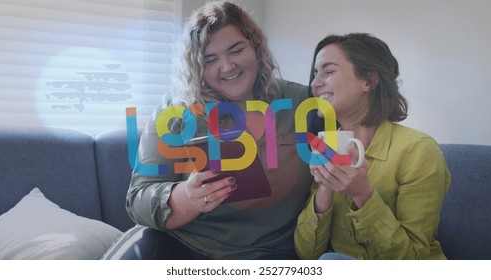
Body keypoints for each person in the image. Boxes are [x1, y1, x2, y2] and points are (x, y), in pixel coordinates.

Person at [117, 1, 312, 260]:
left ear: (256, 47)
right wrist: (186, 197)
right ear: (196, 67)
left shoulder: (300, 103)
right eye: (210, 60)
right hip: (182, 247)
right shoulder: (176, 109)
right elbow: (138, 199)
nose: (227, 66)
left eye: (236, 50)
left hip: (269, 256)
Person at [294, 33, 451, 260]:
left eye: (328, 72)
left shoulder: (419, 151)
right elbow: (307, 255)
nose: (315, 84)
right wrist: (325, 188)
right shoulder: (325, 146)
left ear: (369, 81)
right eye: (315, 73)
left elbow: (413, 259)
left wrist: (363, 194)